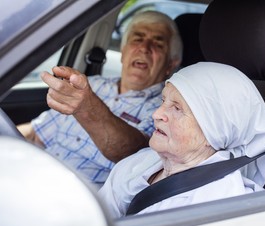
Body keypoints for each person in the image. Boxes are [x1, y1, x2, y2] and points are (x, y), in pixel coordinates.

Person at [17, 11, 183, 187]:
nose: (144, 48)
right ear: (123, 51)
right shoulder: (93, 84)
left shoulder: (167, 107)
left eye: (158, 43)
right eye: (137, 39)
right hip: (31, 175)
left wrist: (87, 107)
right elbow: (36, 134)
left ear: (171, 63)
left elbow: (133, 155)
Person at [98, 62, 265, 218]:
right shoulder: (139, 162)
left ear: (214, 132)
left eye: (177, 108)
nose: (157, 114)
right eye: (163, 101)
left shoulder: (219, 205)